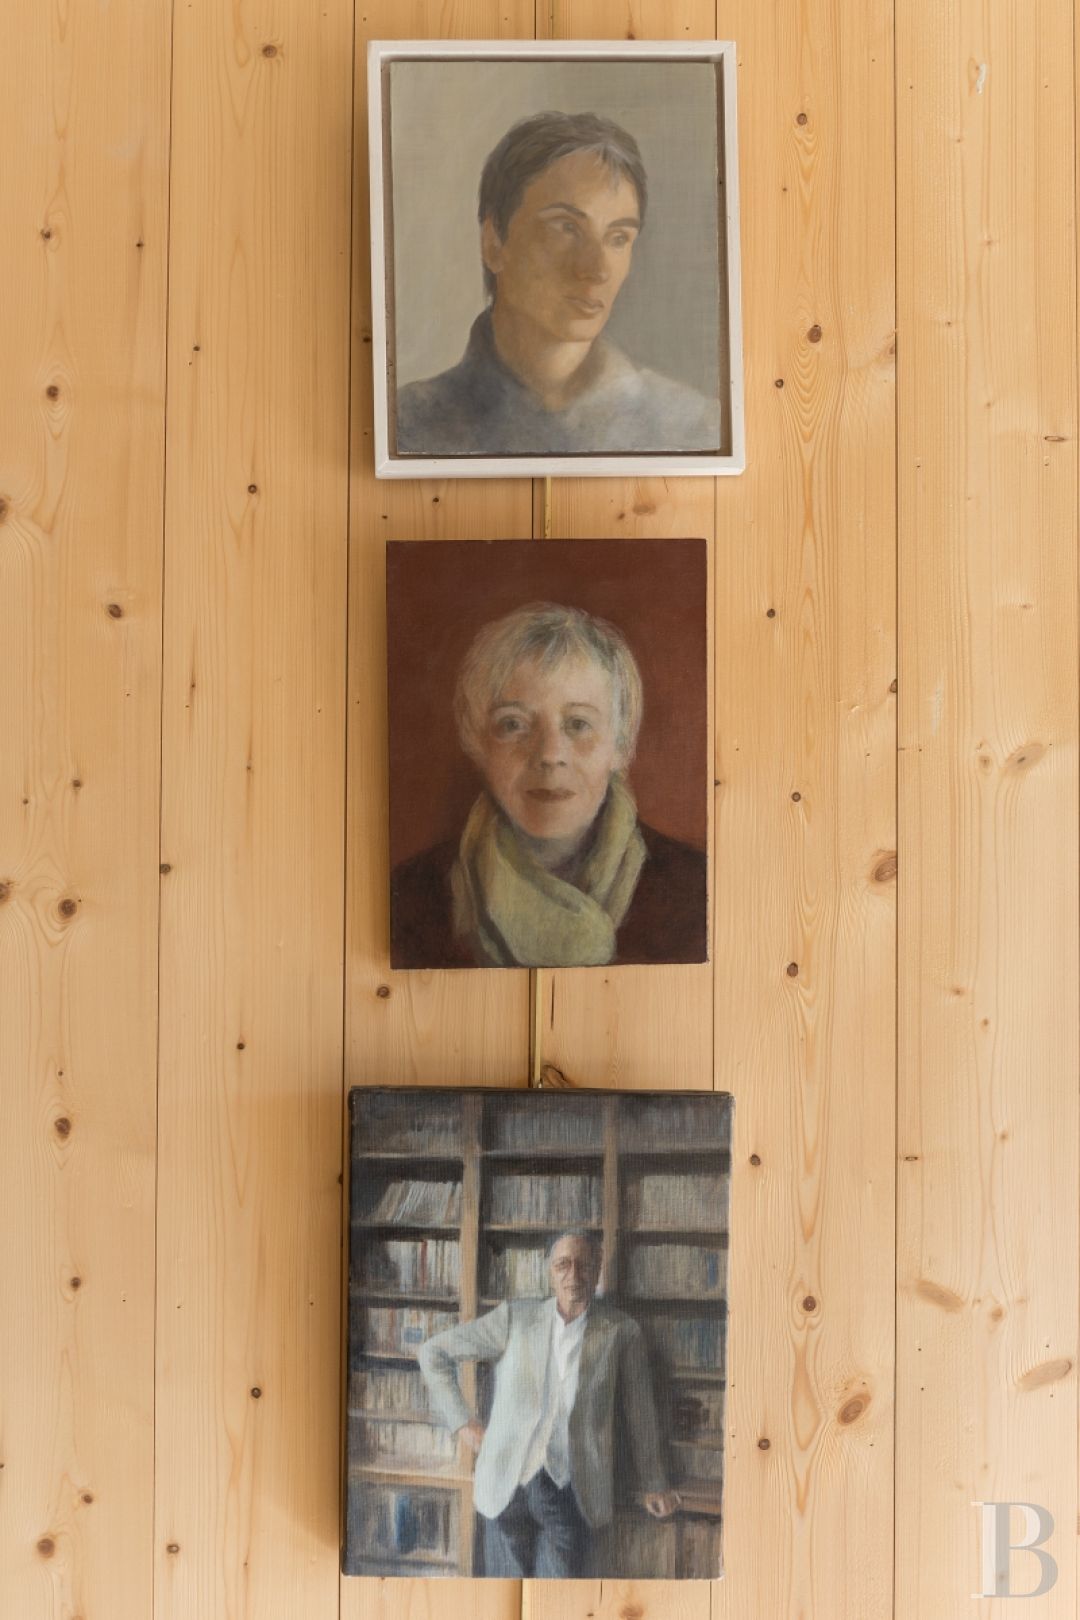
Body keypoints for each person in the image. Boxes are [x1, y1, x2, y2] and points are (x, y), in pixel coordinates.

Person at [390, 601, 707, 968]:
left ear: (620, 745)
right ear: (477, 743)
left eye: (578, 724)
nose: (550, 754)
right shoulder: (412, 897)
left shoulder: (693, 891)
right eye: (514, 724)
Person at [396, 110, 720, 456]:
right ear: (494, 243)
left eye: (618, 237)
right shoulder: (408, 424)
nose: (596, 270)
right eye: (566, 228)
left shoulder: (693, 427)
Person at [417, 1232, 679, 1577]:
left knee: (555, 1602)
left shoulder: (621, 1332)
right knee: (502, 1600)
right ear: (549, 1272)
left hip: (571, 1491)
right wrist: (464, 1423)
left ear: (598, 1269)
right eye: (563, 1265)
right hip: (504, 1490)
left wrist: (654, 1482)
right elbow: (433, 1352)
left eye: (585, 1266)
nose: (574, 1276)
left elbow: (641, 1414)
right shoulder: (515, 1318)